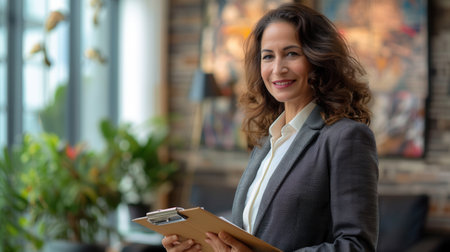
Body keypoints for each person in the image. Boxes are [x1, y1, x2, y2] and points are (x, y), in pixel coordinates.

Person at [162, 2, 378, 252]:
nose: (278, 69)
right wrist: (197, 243)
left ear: (317, 58)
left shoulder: (346, 137)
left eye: (291, 53)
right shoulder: (269, 139)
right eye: (268, 56)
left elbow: (357, 246)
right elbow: (256, 230)